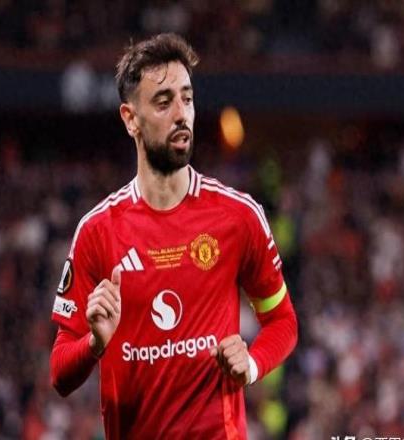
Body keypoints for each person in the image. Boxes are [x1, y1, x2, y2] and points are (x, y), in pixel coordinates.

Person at [50, 33, 297, 439]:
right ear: (130, 119)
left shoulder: (238, 217)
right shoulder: (97, 232)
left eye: (187, 98)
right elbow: (60, 372)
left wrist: (252, 365)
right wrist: (95, 343)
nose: (181, 114)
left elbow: (282, 321)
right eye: (164, 102)